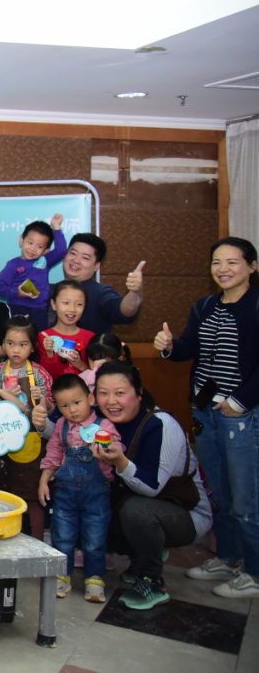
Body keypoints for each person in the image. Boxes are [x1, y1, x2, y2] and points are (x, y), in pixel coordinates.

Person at [35, 362, 210, 611]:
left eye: (120, 393)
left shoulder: (160, 424)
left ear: (139, 393)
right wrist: (42, 424)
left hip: (183, 512)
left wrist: (120, 461)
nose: (110, 401)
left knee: (136, 511)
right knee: (80, 508)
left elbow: (152, 488)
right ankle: (141, 554)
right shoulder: (100, 415)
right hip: (119, 499)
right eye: (103, 393)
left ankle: (151, 580)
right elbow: (68, 433)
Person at [153, 237, 259, 599]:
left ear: (251, 266)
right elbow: (189, 349)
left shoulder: (255, 305)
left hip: (240, 414)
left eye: (232, 262)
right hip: (205, 411)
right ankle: (229, 558)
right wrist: (169, 347)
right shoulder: (205, 306)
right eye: (217, 262)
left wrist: (239, 402)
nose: (223, 269)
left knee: (245, 497)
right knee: (219, 491)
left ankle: (254, 573)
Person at [37, 374, 121, 604]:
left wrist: (109, 449)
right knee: (62, 537)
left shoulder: (103, 425)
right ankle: (61, 575)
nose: (72, 410)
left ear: (90, 399)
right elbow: (54, 454)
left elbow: (118, 447)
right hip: (65, 493)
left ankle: (95, 578)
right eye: (64, 406)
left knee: (95, 539)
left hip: (97, 494)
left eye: (76, 402)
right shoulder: (62, 426)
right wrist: (44, 480)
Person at [0, 316, 52, 539]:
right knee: (3, 494)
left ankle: (37, 540)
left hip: (32, 442)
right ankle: (2, 536)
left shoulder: (40, 374)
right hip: (2, 443)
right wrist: (1, 397)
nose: (16, 350)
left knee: (33, 495)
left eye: (23, 344)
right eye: (10, 343)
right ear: (3, 344)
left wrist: (42, 399)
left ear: (33, 347)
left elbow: (52, 408)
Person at [57, 233, 145, 335]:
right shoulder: (49, 289)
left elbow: (124, 312)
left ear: (96, 266)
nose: (76, 260)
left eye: (85, 258)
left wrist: (135, 292)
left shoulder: (101, 293)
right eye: (73, 253)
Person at [0, 216, 66, 330]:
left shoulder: (45, 261)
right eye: (30, 242)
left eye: (39, 246)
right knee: (17, 338)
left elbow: (61, 250)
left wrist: (56, 226)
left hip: (40, 311)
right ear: (21, 240)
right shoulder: (13, 264)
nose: (32, 249)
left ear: (46, 250)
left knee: (39, 340)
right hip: (17, 308)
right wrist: (18, 292)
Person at [38, 280, 94, 381]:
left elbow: (95, 377)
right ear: (54, 304)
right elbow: (45, 378)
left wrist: (79, 364)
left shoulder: (90, 338)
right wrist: (49, 353)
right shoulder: (43, 337)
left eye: (79, 304)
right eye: (66, 303)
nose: (72, 309)